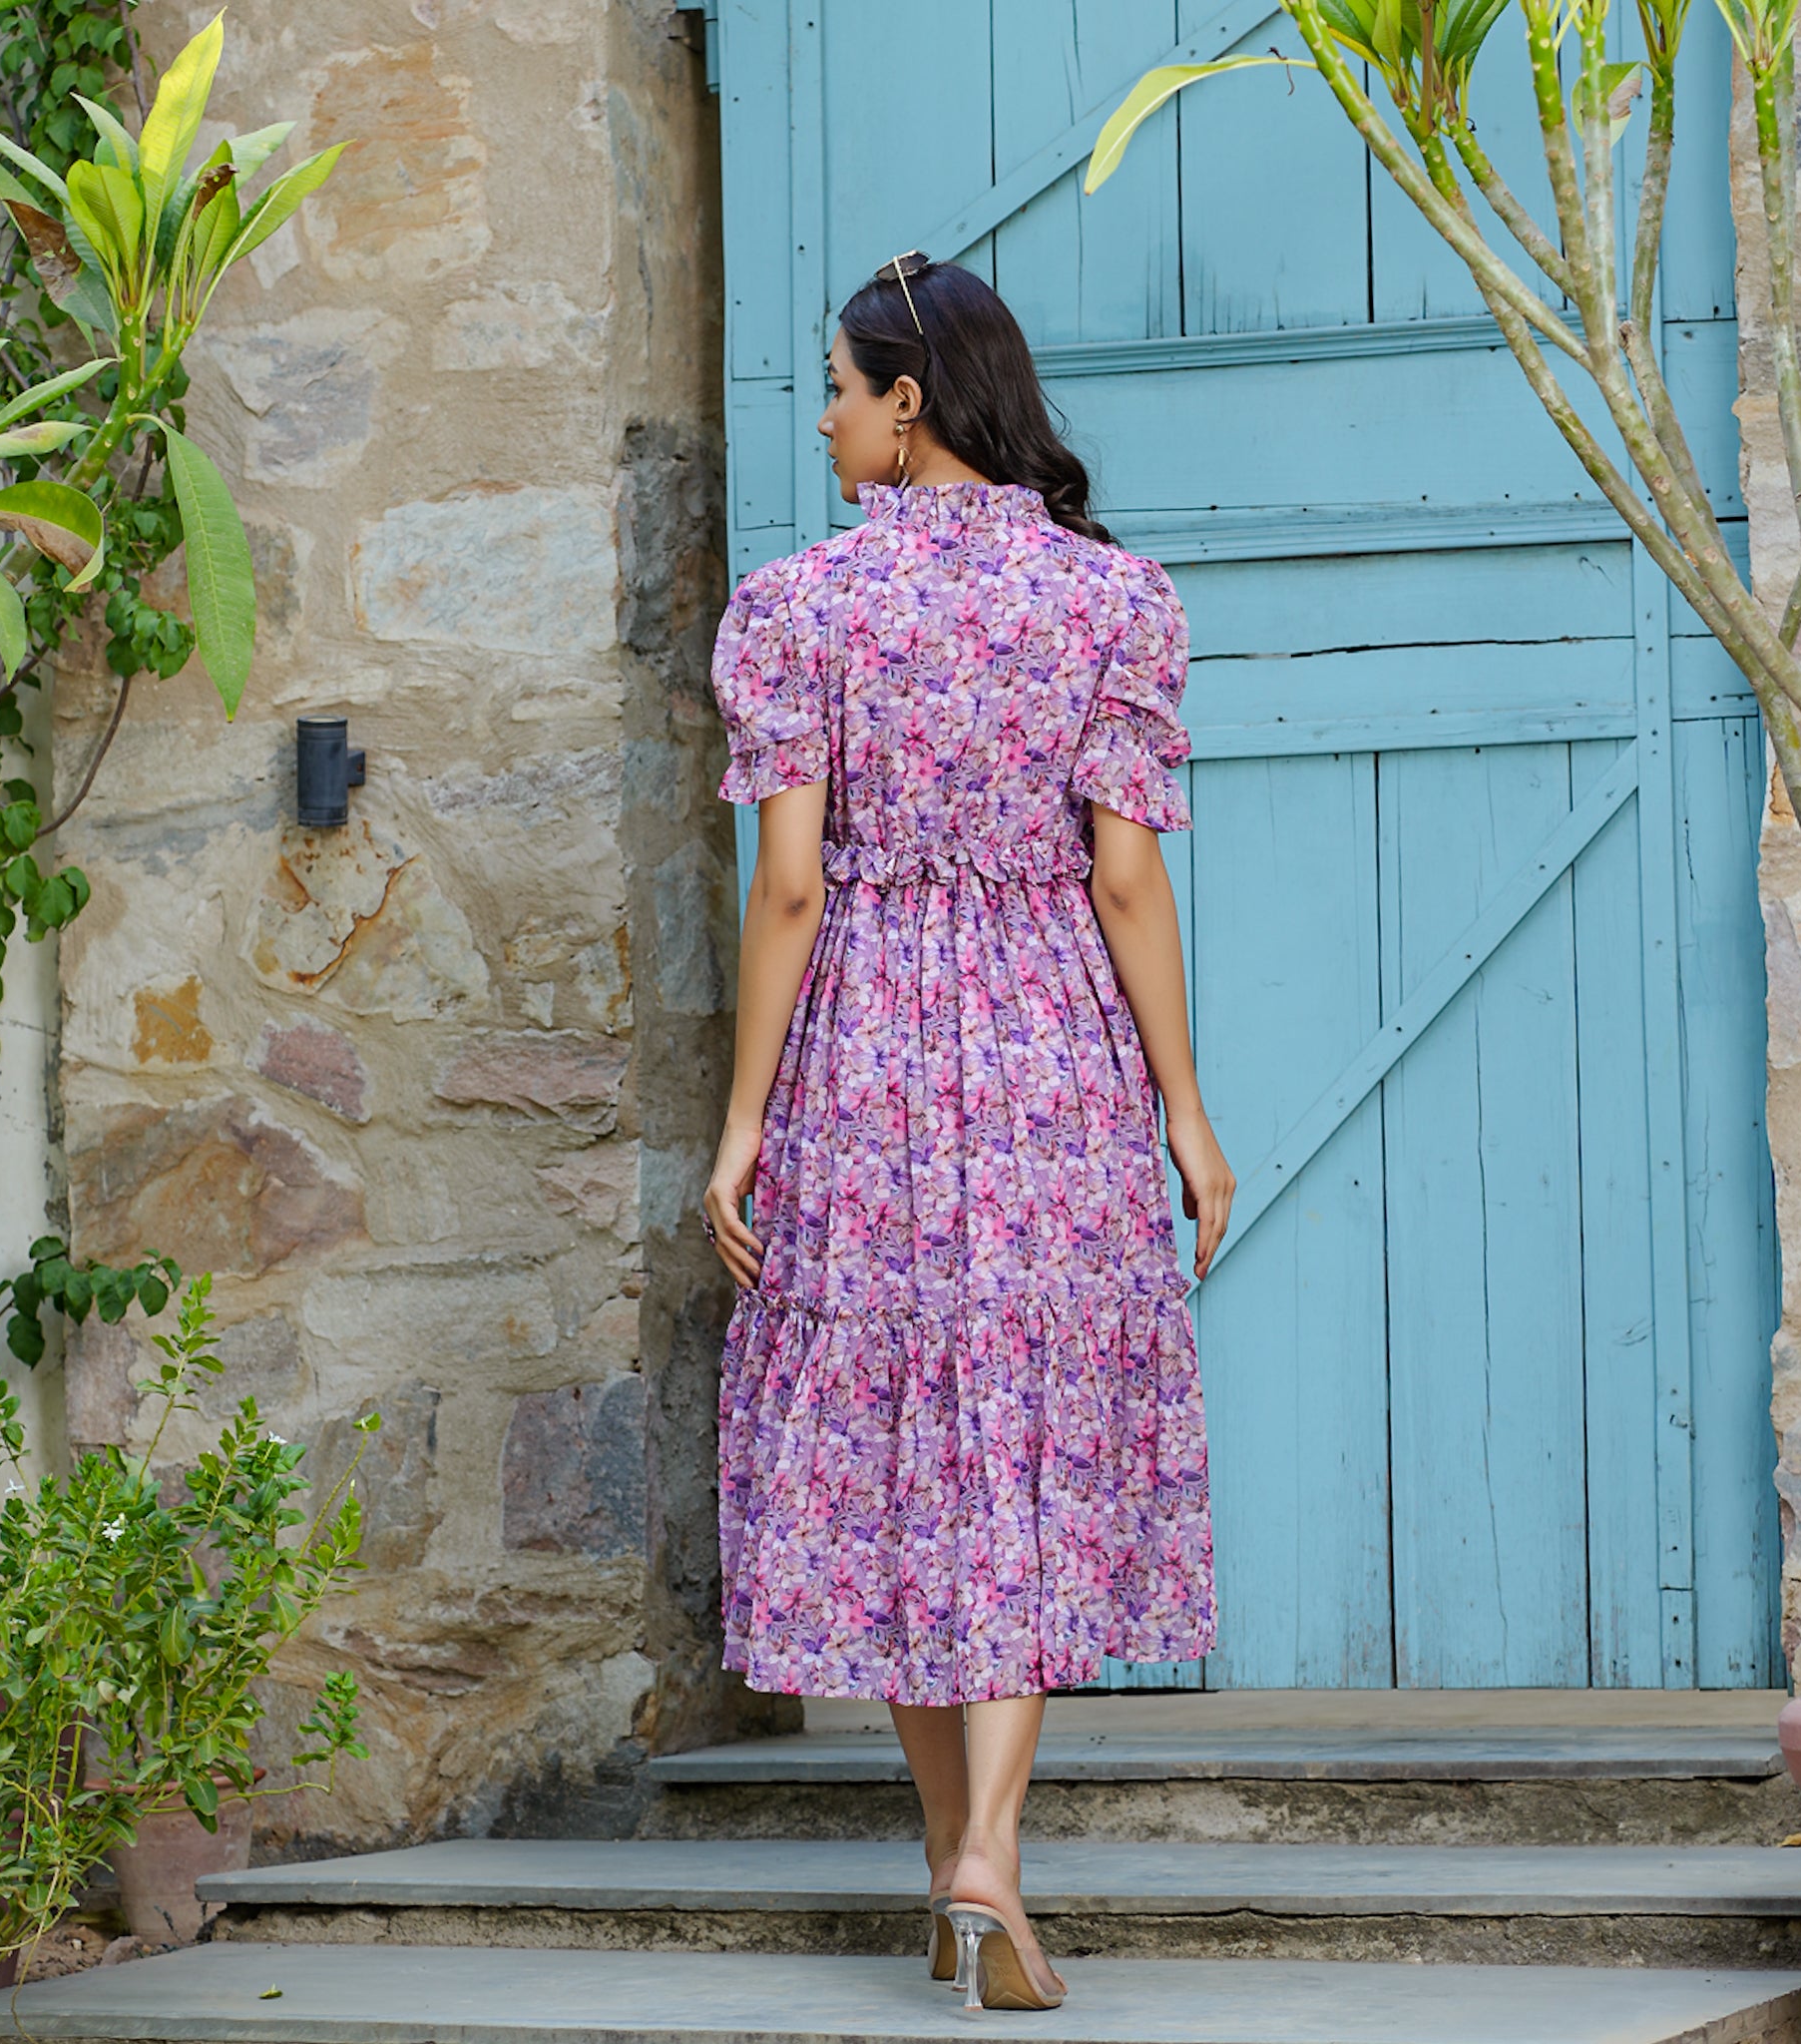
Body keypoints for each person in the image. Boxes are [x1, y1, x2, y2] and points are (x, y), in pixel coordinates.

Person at [699, 251, 1235, 2013]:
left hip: (865, 1056)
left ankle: (961, 1862)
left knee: (904, 1447)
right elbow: (1128, 874)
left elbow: (786, 892)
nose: (829, 416)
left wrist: (742, 1123)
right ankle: (984, 1863)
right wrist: (1185, 1106)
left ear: (909, 399)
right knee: (1019, 1437)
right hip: (1049, 1058)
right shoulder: (1111, 602)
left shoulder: (797, 612)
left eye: (842, 390)